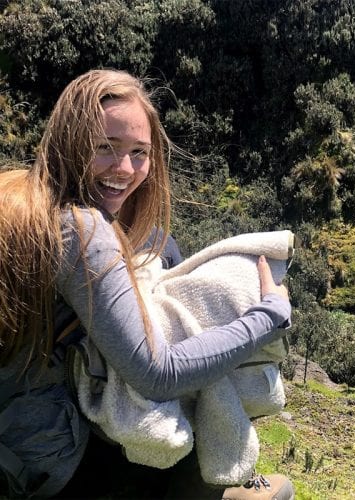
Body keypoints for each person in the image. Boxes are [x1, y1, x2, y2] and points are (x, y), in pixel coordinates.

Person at [0, 69, 294, 499]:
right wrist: (265, 317)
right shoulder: (80, 231)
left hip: (13, 437)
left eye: (140, 152)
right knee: (195, 380)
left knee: (161, 246)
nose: (125, 168)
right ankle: (217, 486)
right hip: (51, 460)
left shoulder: (22, 196)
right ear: (68, 141)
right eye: (105, 148)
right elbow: (158, 374)